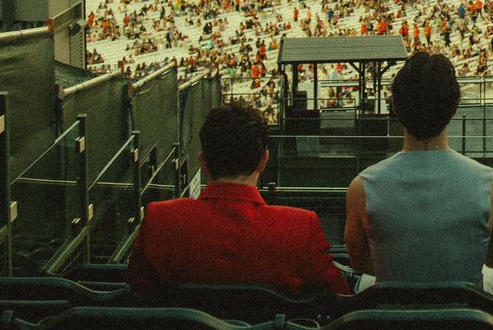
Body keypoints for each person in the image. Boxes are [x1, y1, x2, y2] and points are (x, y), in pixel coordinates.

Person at [128, 100, 349, 295]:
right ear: (264, 161)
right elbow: (339, 299)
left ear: (202, 161)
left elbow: (138, 297)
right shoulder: (301, 228)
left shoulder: (159, 219)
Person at [345, 51, 493, 286]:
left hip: (391, 308)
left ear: (395, 107)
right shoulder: (492, 184)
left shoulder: (362, 187)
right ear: (454, 109)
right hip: (465, 308)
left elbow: (360, 262)